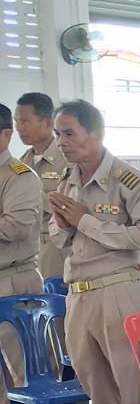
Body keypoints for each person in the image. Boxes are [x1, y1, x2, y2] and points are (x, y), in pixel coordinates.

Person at [47, 99, 140, 404]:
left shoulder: (128, 180)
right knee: (96, 383)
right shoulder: (68, 179)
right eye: (59, 134)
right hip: (78, 293)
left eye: (70, 133)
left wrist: (86, 221)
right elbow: (59, 237)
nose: (62, 141)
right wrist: (64, 225)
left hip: (118, 289)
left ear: (96, 133)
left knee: (131, 382)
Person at [0, 102, 43, 404]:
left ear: (4, 136)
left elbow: (14, 227)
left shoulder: (20, 176)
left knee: (24, 365)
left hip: (13, 280)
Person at [15, 92, 69, 280]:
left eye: (25, 122)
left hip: (59, 251)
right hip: (28, 253)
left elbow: (71, 204)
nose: (19, 128)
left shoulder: (67, 159)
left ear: (48, 122)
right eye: (17, 122)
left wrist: (31, 196)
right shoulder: (22, 162)